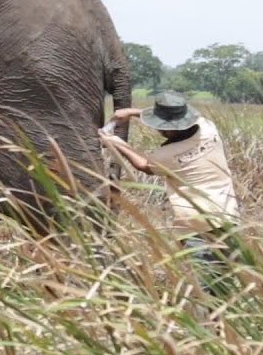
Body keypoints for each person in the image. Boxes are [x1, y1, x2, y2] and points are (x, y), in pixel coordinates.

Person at [99, 91, 241, 297]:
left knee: (201, 290)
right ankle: (224, 326)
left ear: (167, 130)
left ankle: (204, 325)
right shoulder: (208, 128)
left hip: (197, 228)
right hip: (229, 218)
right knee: (223, 286)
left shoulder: (167, 155)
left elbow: (143, 164)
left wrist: (115, 142)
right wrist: (132, 113)